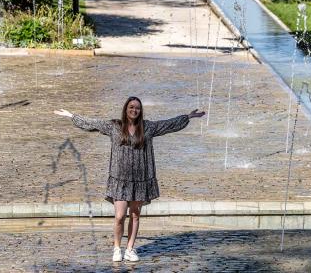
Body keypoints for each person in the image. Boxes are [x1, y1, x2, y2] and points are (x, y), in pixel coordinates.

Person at [54, 96, 205, 263]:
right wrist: (72, 116)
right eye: (131, 107)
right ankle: (117, 248)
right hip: (120, 179)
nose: (134, 110)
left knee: (135, 215)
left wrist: (187, 117)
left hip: (140, 180)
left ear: (140, 111)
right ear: (126, 109)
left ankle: (130, 249)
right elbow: (93, 124)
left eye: (137, 108)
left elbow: (168, 125)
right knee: (119, 216)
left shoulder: (147, 127)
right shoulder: (114, 126)